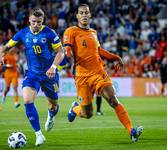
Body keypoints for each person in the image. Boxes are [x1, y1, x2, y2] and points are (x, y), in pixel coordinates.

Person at [63, 4, 143, 142]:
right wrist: (62, 59)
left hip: (98, 72)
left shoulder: (93, 33)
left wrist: (117, 57)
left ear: (90, 15)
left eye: (86, 13)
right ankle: (75, 108)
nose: (83, 15)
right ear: (77, 16)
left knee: (112, 99)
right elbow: (67, 51)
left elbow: (99, 52)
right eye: (81, 13)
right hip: (82, 76)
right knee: (87, 114)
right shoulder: (70, 31)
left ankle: (131, 131)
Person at [0, 8, 65, 146]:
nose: (36, 25)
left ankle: (51, 115)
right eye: (34, 22)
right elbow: (6, 47)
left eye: (39, 22)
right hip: (32, 73)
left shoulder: (50, 33)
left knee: (54, 107)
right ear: (29, 21)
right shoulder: (23, 33)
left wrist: (53, 67)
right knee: (26, 100)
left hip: (49, 74)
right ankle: (39, 135)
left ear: (42, 21)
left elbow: (60, 53)